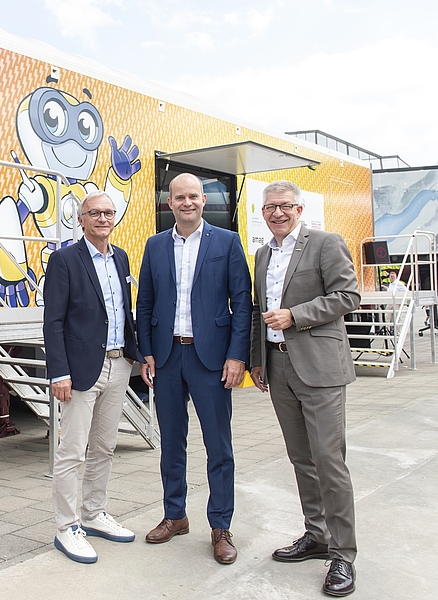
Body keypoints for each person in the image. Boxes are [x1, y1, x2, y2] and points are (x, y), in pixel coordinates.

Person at [249, 180, 361, 597]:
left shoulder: (326, 243)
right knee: (301, 460)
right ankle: (317, 536)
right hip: (278, 368)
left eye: (284, 206)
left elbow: (348, 295)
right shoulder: (262, 254)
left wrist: (296, 315)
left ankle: (343, 555)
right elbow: (258, 312)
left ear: (299, 209)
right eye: (269, 207)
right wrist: (258, 359)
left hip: (320, 369)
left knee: (329, 461)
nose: (276, 213)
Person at [135, 173, 251, 564]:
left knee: (218, 445)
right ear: (170, 203)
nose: (186, 203)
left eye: (193, 197)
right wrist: (146, 352)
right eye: (179, 197)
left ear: (204, 201)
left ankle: (220, 526)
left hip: (212, 360)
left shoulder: (227, 242)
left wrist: (237, 356)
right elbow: (145, 303)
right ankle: (175, 515)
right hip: (167, 358)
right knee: (172, 443)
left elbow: (242, 304)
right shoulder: (154, 246)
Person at [43, 190, 140, 564]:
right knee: (72, 452)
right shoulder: (65, 260)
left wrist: (136, 355)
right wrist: (60, 372)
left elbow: (124, 312)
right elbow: (53, 321)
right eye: (94, 213)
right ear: (80, 220)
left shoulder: (122, 258)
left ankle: (94, 513)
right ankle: (66, 527)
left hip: (119, 365)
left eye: (108, 213)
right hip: (81, 370)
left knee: (104, 447)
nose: (102, 218)